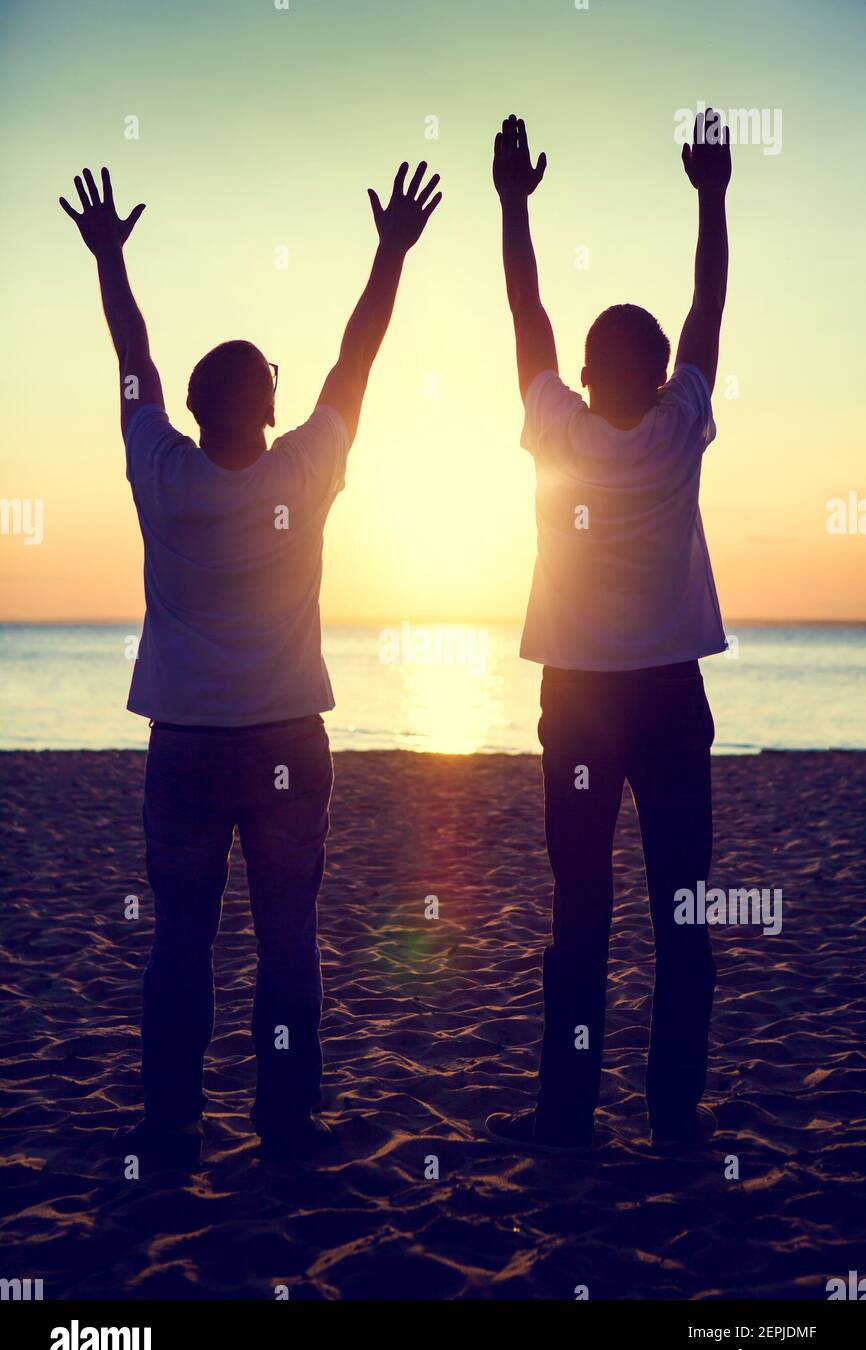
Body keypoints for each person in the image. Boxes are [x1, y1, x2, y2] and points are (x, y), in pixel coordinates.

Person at [59, 160, 441, 1166]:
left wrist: (109, 259)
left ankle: (171, 1120)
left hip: (184, 744)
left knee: (179, 938)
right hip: (283, 743)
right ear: (265, 407)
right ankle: (282, 1119)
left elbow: (131, 358)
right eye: (273, 378)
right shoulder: (303, 470)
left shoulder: (160, 468)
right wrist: (389, 251)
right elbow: (357, 361)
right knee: (286, 940)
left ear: (196, 408)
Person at [485, 110, 731, 1152]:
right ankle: (671, 1116)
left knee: (579, 908)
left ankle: (564, 1113)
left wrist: (511, 203)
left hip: (579, 701)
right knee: (682, 913)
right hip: (667, 695)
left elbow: (525, 311)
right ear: (657, 371)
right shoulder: (677, 428)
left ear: (588, 378)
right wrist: (710, 194)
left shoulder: (557, 429)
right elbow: (706, 310)